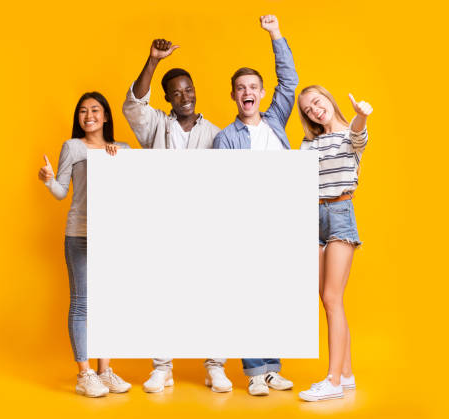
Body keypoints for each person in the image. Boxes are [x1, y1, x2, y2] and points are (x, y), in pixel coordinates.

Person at [122, 39, 231, 394]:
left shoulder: (216, 135)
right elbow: (135, 103)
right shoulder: (155, 126)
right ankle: (162, 368)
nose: (185, 97)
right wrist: (153, 61)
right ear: (168, 98)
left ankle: (215, 366)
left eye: (189, 90)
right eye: (177, 93)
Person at [213, 14, 299, 396]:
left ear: (261, 94)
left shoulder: (276, 121)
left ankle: (272, 369)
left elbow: (291, 82)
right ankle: (253, 371)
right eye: (240, 88)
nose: (247, 92)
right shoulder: (225, 138)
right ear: (233, 95)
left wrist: (275, 34)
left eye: (253, 87)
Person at [38, 92, 132, 397]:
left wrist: (118, 162)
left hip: (111, 236)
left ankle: (105, 371)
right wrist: (49, 179)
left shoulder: (122, 149)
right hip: (79, 233)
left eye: (95, 110)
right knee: (81, 302)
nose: (88, 115)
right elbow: (61, 191)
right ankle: (84, 374)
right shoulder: (73, 147)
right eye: (82, 111)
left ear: (106, 116)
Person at [295, 86, 373, 402]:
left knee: (331, 297)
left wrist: (360, 116)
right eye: (307, 109)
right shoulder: (308, 143)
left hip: (340, 212)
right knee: (328, 299)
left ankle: (333, 380)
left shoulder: (349, 135)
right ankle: (347, 374)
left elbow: (358, 137)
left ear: (329, 99)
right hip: (312, 216)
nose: (314, 110)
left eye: (317, 102)